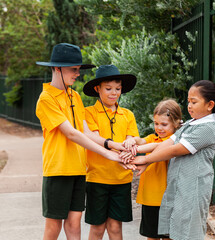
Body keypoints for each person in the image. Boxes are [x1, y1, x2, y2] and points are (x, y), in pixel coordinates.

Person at [35, 43, 126, 240]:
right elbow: (71, 134)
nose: (77, 73)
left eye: (78, 69)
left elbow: (84, 131)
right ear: (57, 68)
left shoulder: (74, 95)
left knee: (74, 223)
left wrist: (112, 145)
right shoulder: (46, 98)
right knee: (53, 226)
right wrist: (106, 154)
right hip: (58, 169)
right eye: (73, 69)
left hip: (78, 168)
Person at [127, 80, 215, 240]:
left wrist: (145, 159)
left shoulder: (206, 130)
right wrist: (136, 153)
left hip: (193, 191)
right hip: (179, 189)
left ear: (210, 105)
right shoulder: (190, 124)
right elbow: (164, 144)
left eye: (194, 102)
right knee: (175, 232)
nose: (189, 106)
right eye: (188, 101)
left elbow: (175, 150)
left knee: (188, 234)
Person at [82, 64, 139, 240]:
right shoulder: (89, 113)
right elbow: (93, 138)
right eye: (108, 89)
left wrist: (131, 141)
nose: (114, 93)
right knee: (97, 228)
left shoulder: (127, 114)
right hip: (97, 178)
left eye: (118, 89)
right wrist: (116, 145)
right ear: (97, 89)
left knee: (115, 228)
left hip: (121, 179)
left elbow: (132, 139)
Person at [122, 99, 182, 240]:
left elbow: (162, 149)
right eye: (156, 123)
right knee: (151, 236)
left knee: (169, 236)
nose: (159, 128)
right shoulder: (151, 138)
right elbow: (141, 141)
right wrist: (132, 140)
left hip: (168, 198)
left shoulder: (177, 142)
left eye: (164, 124)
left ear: (176, 123)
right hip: (150, 198)